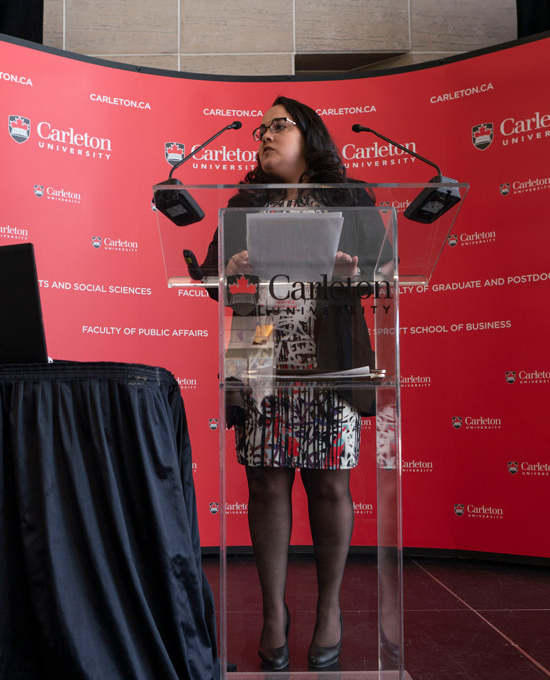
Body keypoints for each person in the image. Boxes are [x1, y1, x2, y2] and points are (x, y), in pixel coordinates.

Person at [202, 96, 386, 671]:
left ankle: (329, 610)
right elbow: (212, 279)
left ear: (310, 135)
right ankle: (273, 614)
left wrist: (357, 272)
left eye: (278, 125)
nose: (264, 135)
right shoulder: (242, 202)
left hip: (331, 354)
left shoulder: (349, 196)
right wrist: (227, 272)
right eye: (260, 128)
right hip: (258, 355)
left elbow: (387, 267)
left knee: (331, 486)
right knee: (265, 485)